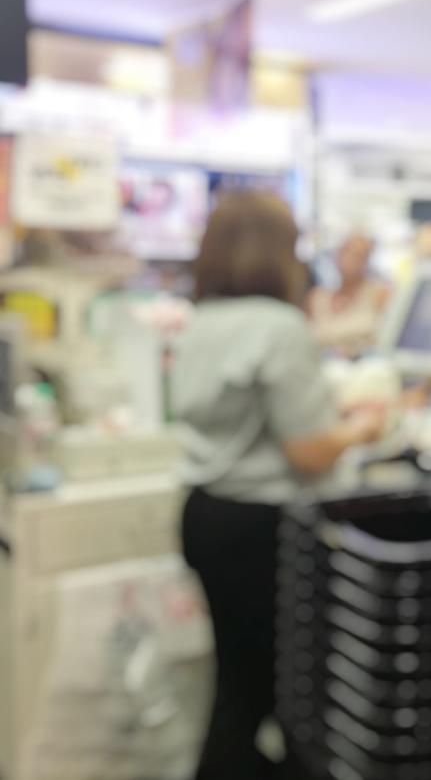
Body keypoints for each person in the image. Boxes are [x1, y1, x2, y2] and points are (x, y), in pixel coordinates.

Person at [173, 193, 387, 780]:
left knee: (236, 681)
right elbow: (309, 452)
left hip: (206, 512)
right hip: (260, 527)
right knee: (284, 686)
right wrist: (362, 427)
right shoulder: (279, 324)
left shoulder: (203, 319)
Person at [307, 231, 392, 356]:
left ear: (367, 260)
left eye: (358, 255)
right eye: (346, 251)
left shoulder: (380, 294)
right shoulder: (317, 297)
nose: (350, 259)